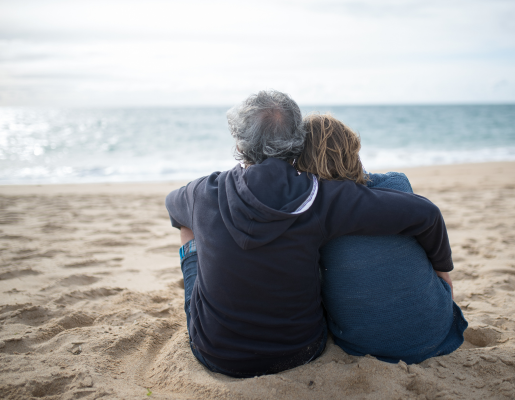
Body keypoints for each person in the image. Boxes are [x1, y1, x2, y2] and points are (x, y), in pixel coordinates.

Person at [165, 90, 454, 378]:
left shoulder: (203, 191)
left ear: (240, 143)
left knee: (191, 229)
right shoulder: (321, 197)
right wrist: (443, 273)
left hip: (217, 354)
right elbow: (425, 214)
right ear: (296, 140)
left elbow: (173, 207)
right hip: (300, 351)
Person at [296, 113, 468, 364]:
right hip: (434, 330)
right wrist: (444, 271)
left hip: (364, 345)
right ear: (353, 149)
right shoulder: (396, 184)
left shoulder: (308, 213)